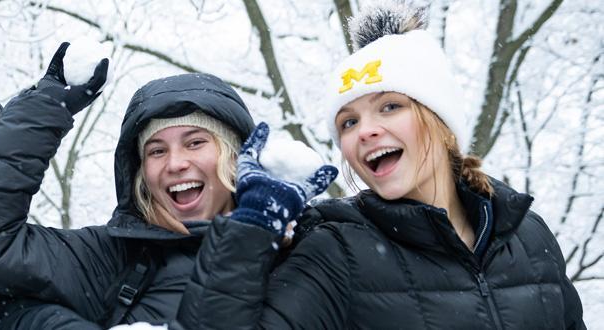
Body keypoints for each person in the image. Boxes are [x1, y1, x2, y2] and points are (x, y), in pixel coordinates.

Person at [176, 3, 585, 329]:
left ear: (441, 121)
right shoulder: (337, 248)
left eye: (390, 106)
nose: (365, 131)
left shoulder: (528, 236)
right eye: (348, 122)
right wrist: (251, 227)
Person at [0, 42, 336, 328]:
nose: (176, 163)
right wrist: (46, 106)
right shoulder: (110, 256)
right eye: (156, 151)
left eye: (196, 142)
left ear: (235, 156)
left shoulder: (305, 249)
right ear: (140, 171)